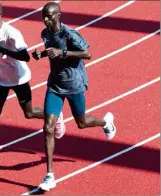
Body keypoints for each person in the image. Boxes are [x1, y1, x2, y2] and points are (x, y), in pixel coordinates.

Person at [0, 0, 65, 177]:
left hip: (19, 77)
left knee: (29, 113)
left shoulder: (12, 32)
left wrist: (0, 48)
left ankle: (57, 115)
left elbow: (25, 56)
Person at [32, 2, 116, 191]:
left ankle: (106, 122)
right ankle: (49, 175)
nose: (46, 19)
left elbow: (87, 54)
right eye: (43, 16)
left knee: (81, 122)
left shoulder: (70, 34)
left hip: (74, 84)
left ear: (59, 15)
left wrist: (62, 52)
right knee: (47, 127)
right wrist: (42, 54)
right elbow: (51, 51)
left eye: (50, 16)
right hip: (54, 85)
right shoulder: (44, 34)